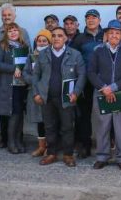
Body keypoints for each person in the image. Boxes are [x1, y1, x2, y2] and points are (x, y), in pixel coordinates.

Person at [32, 27, 86, 167]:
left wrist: (76, 92)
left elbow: (82, 75)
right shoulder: (43, 54)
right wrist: (36, 93)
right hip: (47, 97)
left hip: (67, 98)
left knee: (67, 127)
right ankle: (51, 153)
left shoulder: (75, 54)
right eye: (54, 36)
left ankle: (68, 155)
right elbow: (35, 75)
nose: (56, 38)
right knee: (50, 127)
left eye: (60, 36)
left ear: (65, 38)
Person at [88, 20, 121, 170]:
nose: (114, 35)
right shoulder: (98, 51)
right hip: (101, 93)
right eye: (111, 33)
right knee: (102, 125)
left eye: (117, 33)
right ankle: (102, 156)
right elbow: (91, 72)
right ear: (106, 35)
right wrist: (104, 88)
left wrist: (114, 87)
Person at [0, 3, 31, 148]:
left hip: (21, 82)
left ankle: (18, 141)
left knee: (19, 112)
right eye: (4, 15)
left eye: (15, 30)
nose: (13, 32)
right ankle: (9, 141)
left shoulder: (24, 41)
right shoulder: (0, 40)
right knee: (9, 111)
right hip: (7, 82)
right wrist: (13, 68)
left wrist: (25, 70)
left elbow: (29, 58)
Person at [71, 9, 104, 158]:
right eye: (88, 18)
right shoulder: (79, 39)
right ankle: (85, 145)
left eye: (94, 18)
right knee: (83, 115)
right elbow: (72, 58)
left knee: (105, 114)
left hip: (103, 81)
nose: (91, 20)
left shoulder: (107, 35)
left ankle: (106, 146)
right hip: (84, 82)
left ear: (99, 20)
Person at [23, 29, 52, 158]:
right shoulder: (31, 56)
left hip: (49, 93)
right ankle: (41, 146)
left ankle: (50, 147)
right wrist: (35, 80)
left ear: (49, 42)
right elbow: (25, 73)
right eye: (39, 41)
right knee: (39, 121)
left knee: (50, 121)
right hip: (35, 92)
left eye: (44, 41)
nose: (41, 43)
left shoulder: (52, 56)